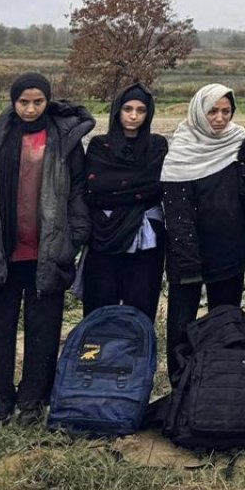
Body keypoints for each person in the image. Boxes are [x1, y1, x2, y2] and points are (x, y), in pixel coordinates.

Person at [0, 73, 95, 427]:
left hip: (46, 254)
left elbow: (77, 195)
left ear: (47, 101)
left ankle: (32, 399)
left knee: (43, 329)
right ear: (13, 101)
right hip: (0, 252)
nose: (30, 109)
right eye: (23, 102)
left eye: (38, 102)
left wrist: (72, 237)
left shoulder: (64, 142)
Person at [160, 84, 245, 382]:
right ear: (199, 111)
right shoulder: (182, 150)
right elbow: (177, 213)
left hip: (229, 254)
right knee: (181, 326)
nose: (220, 118)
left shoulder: (238, 146)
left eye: (226, 111)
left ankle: (218, 386)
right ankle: (181, 385)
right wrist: (188, 263)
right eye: (213, 111)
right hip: (187, 258)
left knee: (225, 323)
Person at [81, 83, 168, 320]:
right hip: (104, 234)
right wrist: (138, 190)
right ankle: (98, 354)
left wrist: (115, 190)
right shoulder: (100, 145)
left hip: (146, 238)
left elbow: (156, 186)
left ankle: (137, 352)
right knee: (100, 300)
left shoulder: (157, 145)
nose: (133, 116)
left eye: (141, 110)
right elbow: (94, 188)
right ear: (117, 110)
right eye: (127, 108)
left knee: (141, 301)